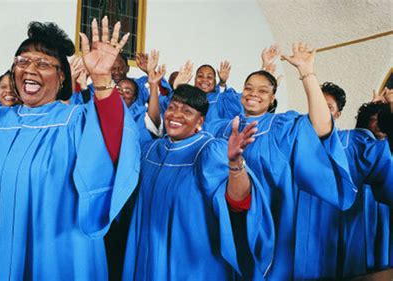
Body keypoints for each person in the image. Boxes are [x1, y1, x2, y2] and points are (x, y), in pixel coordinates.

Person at [0, 16, 140, 280]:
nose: (30, 68)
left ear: (62, 77)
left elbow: (113, 150)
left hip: (53, 257)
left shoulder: (76, 123)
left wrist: (102, 79)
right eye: (22, 61)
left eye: (43, 63)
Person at [205, 43, 357, 280]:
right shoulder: (221, 127)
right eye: (249, 88)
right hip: (226, 220)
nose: (254, 93)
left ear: (273, 97)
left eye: (263, 90)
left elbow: (321, 126)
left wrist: (307, 73)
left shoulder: (281, 126)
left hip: (272, 224)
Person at [122, 83, 275, 280]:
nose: (175, 115)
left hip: (190, 261)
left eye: (187, 111)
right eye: (172, 107)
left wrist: (235, 164)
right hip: (148, 253)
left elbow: (238, 203)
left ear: (200, 121)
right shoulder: (151, 150)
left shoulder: (208, 150)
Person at [293, 83, 393, 279]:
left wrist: (381, 113)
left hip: (345, 220)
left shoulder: (359, 142)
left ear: (337, 114)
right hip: (311, 221)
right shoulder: (297, 137)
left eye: (328, 107)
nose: (320, 109)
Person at [173, 61, 243, 123]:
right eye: (200, 76)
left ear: (215, 82)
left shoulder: (219, 99)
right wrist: (177, 87)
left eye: (209, 77)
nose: (204, 80)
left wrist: (222, 83)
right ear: (194, 80)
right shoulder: (187, 99)